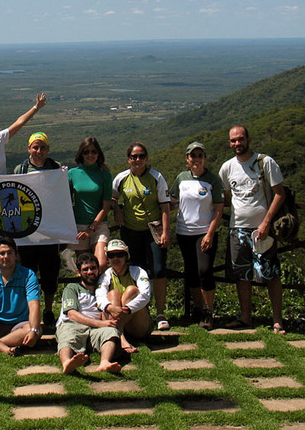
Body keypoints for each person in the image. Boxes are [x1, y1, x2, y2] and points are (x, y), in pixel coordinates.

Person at [219, 125, 287, 334]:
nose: (237, 144)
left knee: (271, 274)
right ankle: (245, 317)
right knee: (242, 275)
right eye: (233, 141)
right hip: (237, 228)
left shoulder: (265, 162)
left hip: (261, 229)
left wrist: (266, 222)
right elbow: (228, 198)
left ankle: (277, 320)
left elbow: (279, 193)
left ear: (248, 139)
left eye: (240, 139)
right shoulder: (227, 168)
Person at [112, 142, 171, 331]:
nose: (137, 160)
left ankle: (161, 312)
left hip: (152, 232)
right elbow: (112, 198)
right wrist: (117, 210)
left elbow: (165, 206)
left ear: (147, 158)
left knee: (159, 270)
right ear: (128, 158)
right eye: (134, 156)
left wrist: (166, 231)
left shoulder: (156, 177)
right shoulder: (121, 178)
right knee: (136, 272)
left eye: (141, 156)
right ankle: (141, 311)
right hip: (130, 231)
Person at [169, 141, 224, 329]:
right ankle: (198, 309)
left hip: (204, 232)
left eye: (200, 155)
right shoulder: (181, 178)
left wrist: (210, 233)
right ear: (187, 158)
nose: (196, 159)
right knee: (191, 272)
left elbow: (218, 209)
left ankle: (209, 311)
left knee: (204, 271)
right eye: (193, 156)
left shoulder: (213, 180)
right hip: (184, 232)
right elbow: (172, 200)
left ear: (204, 158)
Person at [13, 131, 62, 329]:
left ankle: (48, 311)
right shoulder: (21, 168)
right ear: (29, 148)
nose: (38, 151)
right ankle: (30, 313)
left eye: (42, 147)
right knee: (28, 273)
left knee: (50, 274)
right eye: (35, 147)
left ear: (48, 149)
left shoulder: (56, 168)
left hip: (49, 232)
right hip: (27, 233)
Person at [56, 253, 122, 374]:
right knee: (68, 335)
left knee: (111, 332)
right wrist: (99, 323)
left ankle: (105, 362)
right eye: (85, 269)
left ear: (98, 269)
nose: (90, 272)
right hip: (73, 324)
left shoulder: (102, 291)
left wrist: (104, 324)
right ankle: (66, 363)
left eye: (93, 268)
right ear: (79, 272)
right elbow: (72, 314)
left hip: (95, 330)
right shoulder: (72, 288)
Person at [95, 239, 151, 353]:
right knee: (113, 294)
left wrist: (126, 309)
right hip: (113, 320)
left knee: (132, 291)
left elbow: (146, 295)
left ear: (126, 256)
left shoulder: (138, 271)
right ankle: (120, 335)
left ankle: (118, 333)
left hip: (136, 325)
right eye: (111, 255)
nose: (115, 259)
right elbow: (99, 296)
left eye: (120, 254)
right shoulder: (105, 276)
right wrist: (111, 308)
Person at [67, 137, 113, 271]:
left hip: (99, 225)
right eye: (86, 152)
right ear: (81, 154)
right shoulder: (72, 174)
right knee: (85, 268)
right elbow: (66, 201)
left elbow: (106, 205)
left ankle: (102, 292)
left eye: (93, 152)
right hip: (79, 226)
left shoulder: (105, 175)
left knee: (101, 265)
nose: (90, 155)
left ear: (99, 154)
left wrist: (92, 228)